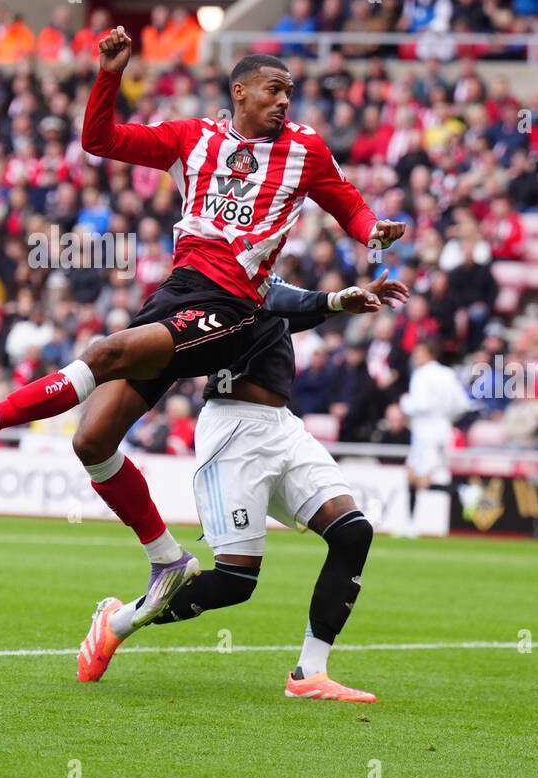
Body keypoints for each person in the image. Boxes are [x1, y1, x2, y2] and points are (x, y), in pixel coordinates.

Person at [0, 27, 405, 623]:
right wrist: (109, 74)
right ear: (241, 92)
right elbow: (98, 140)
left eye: (290, 92)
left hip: (232, 305)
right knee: (91, 441)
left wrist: (372, 230)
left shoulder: (306, 149)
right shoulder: (191, 137)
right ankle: (166, 559)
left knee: (107, 351)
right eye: (274, 90)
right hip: (177, 292)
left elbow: (348, 204)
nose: (285, 101)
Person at [77, 275, 410, 701]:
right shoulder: (230, 280)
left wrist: (340, 302)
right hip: (235, 429)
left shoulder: (266, 281)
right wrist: (337, 299)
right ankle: (118, 622)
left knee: (352, 532)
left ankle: (310, 672)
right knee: (235, 582)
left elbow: (289, 305)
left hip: (283, 426)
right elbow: (281, 298)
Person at [399, 341, 474, 537]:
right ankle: (410, 523)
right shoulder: (448, 374)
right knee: (413, 476)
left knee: (420, 479)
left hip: (425, 434)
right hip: (443, 431)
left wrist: (405, 403)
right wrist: (446, 418)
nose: (415, 357)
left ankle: (463, 490)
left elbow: (420, 404)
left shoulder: (422, 375)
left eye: (419, 353)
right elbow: (462, 404)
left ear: (429, 354)